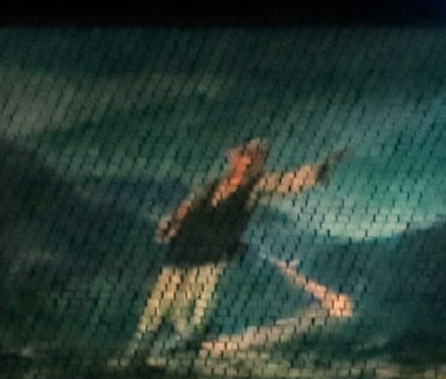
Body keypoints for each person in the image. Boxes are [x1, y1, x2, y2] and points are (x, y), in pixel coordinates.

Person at [123, 139, 346, 365]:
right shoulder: (210, 186)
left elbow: (287, 181)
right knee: (159, 308)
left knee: (193, 314)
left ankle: (181, 352)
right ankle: (136, 356)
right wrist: (171, 224)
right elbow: (185, 209)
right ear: (234, 159)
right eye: (244, 156)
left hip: (213, 258)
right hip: (183, 252)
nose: (248, 162)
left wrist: (319, 170)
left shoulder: (256, 185)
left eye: (255, 159)